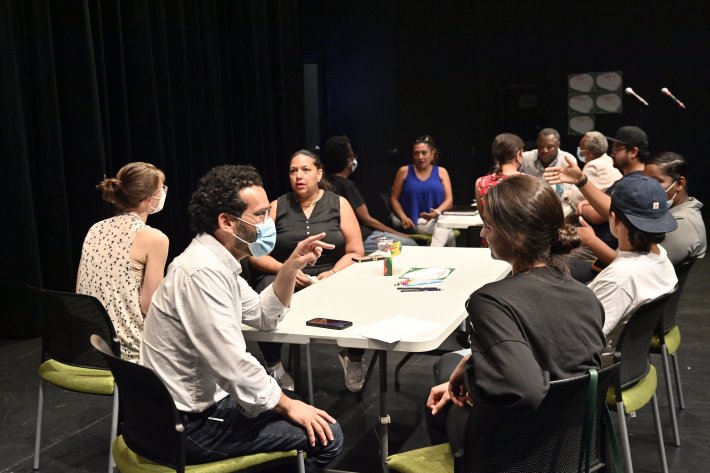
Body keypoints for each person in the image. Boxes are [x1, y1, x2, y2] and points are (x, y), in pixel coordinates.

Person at [140, 164, 343, 471]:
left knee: (292, 401)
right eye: (260, 215)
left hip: (192, 408)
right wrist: (288, 406)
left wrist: (290, 267)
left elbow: (263, 315)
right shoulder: (202, 272)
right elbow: (232, 363)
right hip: (188, 426)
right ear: (227, 222)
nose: (268, 222)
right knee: (328, 437)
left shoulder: (216, 262)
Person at [426, 175, 604, 442]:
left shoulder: (490, 302)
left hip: (518, 450)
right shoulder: (586, 295)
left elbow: (525, 390)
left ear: (517, 237)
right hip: (577, 444)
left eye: (488, 227)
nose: (484, 235)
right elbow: (557, 362)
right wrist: (473, 362)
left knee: (439, 409)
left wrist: (471, 377)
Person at [249, 150, 366, 392]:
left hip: (331, 273)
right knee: (266, 288)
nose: (298, 176)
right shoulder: (276, 206)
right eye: (293, 171)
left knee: (359, 286)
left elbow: (356, 251)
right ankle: (274, 366)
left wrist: (333, 274)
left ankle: (353, 358)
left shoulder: (339, 203)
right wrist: (289, 270)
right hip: (284, 274)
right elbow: (256, 255)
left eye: (305, 170)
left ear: (319, 173)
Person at [76, 162, 169, 362]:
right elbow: (150, 306)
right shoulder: (154, 238)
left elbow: (80, 294)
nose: (163, 194)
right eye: (162, 189)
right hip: (129, 351)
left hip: (89, 347)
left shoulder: (95, 229)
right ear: (149, 199)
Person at [587, 174, 678, 363]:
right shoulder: (661, 256)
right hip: (630, 364)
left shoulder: (621, 278)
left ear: (613, 218)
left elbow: (581, 341)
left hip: (599, 371)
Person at [544, 126, 650, 281]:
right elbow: (609, 205)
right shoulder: (630, 181)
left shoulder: (634, 185)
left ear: (633, 152)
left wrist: (584, 208)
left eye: (617, 148)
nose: (612, 153)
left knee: (545, 259)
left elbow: (603, 213)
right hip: (602, 247)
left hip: (600, 250)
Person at [321, 135, 417, 253]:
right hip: (364, 238)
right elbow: (367, 220)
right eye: (352, 153)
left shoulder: (325, 183)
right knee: (410, 244)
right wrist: (400, 235)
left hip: (345, 239)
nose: (354, 157)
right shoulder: (347, 185)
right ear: (348, 160)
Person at [390, 134, 455, 247]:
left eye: (424, 153)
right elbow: (394, 199)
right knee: (448, 232)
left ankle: (430, 257)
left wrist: (436, 212)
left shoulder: (442, 172)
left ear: (432, 153)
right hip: (415, 221)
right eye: (416, 153)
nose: (420, 157)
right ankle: (437, 259)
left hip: (438, 218)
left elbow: (449, 200)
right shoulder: (404, 171)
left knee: (445, 228)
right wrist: (403, 217)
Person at [643, 151, 706, 265]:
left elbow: (643, 268)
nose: (647, 188)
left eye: (657, 181)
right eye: (645, 181)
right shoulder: (664, 211)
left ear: (680, 184)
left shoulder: (684, 224)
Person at [561, 131, 622, 212]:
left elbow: (578, 196)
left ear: (587, 153)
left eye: (581, 149)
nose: (579, 151)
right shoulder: (609, 160)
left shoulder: (593, 165)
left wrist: (564, 196)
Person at [474, 132, 524, 215]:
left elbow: (485, 219)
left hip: (492, 228)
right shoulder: (528, 181)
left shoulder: (481, 183)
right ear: (518, 154)